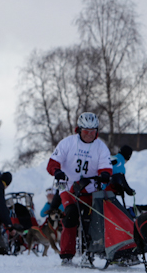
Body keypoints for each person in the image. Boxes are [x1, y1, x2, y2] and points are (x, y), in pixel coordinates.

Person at [46, 111, 112, 263]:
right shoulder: (67, 143)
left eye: (92, 132)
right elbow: (52, 163)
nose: (89, 135)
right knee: (71, 214)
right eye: (86, 131)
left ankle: (92, 249)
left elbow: (106, 167)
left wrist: (105, 174)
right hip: (68, 187)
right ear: (79, 130)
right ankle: (66, 255)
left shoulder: (101, 147)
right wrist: (57, 171)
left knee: (92, 217)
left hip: (90, 188)